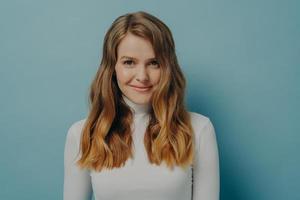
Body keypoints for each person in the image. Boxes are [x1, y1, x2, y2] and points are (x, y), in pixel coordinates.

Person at [63, 11, 220, 200]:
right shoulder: (81, 134)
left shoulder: (199, 129)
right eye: (129, 62)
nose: (142, 76)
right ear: (112, 67)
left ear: (167, 67)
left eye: (154, 63)